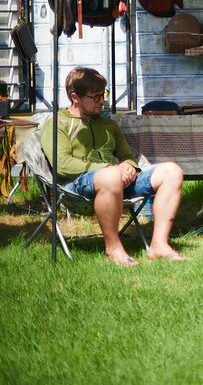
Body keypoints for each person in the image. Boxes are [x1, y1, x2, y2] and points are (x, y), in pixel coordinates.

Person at [40, 67, 187, 266]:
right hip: (75, 187)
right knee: (110, 176)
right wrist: (109, 168)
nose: (103, 101)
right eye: (96, 97)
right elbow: (62, 164)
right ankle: (113, 248)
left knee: (172, 171)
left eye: (104, 94)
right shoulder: (58, 124)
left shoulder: (109, 125)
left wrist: (129, 168)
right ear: (75, 97)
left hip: (117, 181)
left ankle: (159, 245)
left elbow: (128, 155)